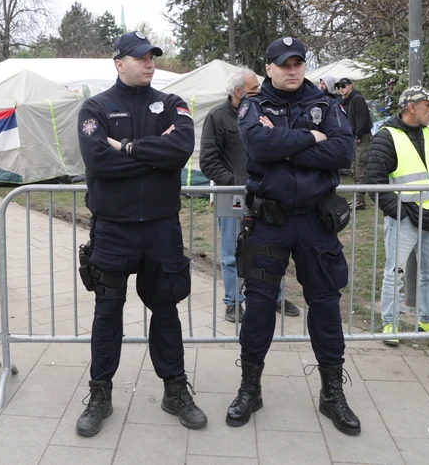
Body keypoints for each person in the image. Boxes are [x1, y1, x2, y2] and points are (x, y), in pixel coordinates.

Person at [75, 30, 207, 437]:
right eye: (141, 57)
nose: (150, 63)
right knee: (107, 312)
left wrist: (128, 148)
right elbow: (100, 162)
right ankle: (100, 394)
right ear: (120, 63)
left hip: (161, 228)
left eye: (152, 57)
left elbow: (180, 150)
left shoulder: (172, 103)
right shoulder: (96, 107)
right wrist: (154, 154)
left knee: (166, 310)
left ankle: (175, 390)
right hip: (114, 229)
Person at [227, 36, 360, 435]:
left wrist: (284, 147)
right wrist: (312, 138)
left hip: (316, 223)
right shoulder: (254, 105)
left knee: (325, 305)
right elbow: (258, 145)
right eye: (284, 64)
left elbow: (343, 153)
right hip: (269, 222)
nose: (292, 70)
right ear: (268, 68)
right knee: (259, 308)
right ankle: (250, 389)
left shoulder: (326, 104)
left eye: (297, 63)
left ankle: (332, 393)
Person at [199, 69, 300, 323]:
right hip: (232, 195)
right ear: (238, 92)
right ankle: (233, 302)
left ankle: (276, 297)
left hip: (266, 194)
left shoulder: (265, 112)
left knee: (272, 248)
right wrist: (236, 184)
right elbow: (208, 161)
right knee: (231, 252)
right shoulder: (217, 117)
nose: (260, 93)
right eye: (254, 89)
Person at [367, 86, 429, 346]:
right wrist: (399, 212)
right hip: (404, 217)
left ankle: (428, 320)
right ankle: (390, 323)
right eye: (428, 105)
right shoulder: (386, 136)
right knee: (395, 272)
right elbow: (375, 182)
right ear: (412, 107)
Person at [336, 77, 374, 210]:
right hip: (354, 138)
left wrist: (358, 134)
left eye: (343, 86)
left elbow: (362, 118)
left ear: (350, 85)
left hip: (362, 138)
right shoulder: (347, 101)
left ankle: (360, 200)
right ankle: (358, 198)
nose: (341, 88)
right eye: (339, 86)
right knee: (356, 169)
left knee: (361, 168)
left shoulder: (357, 98)